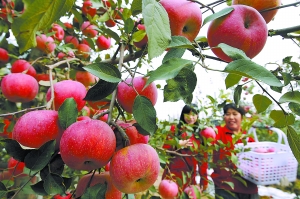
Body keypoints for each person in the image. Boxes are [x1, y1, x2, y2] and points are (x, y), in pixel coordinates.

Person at [211, 103, 259, 199]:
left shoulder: (248, 138)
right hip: (225, 187)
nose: (231, 117)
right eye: (227, 114)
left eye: (234, 113)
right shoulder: (217, 132)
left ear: (242, 117)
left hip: (250, 188)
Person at [162, 104, 209, 193]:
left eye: (193, 114)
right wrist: (177, 144)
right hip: (172, 175)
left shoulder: (200, 135)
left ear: (197, 116)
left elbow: (203, 160)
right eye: (187, 114)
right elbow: (164, 149)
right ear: (183, 115)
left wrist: (204, 180)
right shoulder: (175, 130)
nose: (191, 117)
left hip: (190, 177)